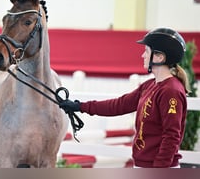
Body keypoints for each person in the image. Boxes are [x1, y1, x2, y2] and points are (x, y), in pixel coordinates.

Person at [59, 28, 190, 168]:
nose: (142, 55)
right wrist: (80, 106)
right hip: (143, 164)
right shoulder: (149, 85)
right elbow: (119, 105)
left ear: (159, 57)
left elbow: (171, 136)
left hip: (159, 167)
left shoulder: (171, 91)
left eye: (146, 51)